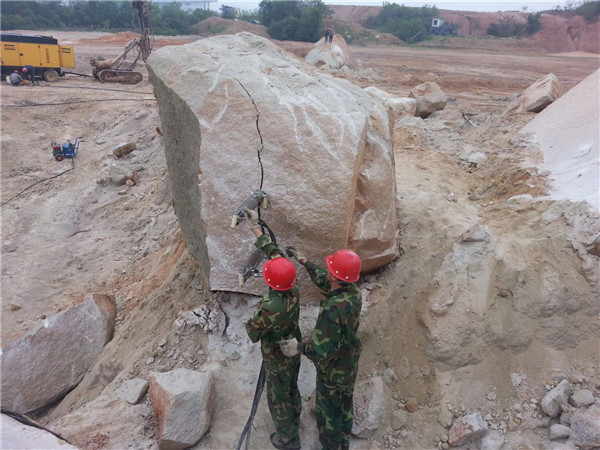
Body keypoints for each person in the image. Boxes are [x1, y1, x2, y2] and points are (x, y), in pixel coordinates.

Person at [281, 247, 362, 450]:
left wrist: (297, 347)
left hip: (333, 374)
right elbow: (326, 283)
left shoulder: (332, 311)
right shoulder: (353, 294)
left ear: (335, 276)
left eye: (330, 268)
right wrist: (305, 263)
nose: (327, 270)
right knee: (344, 408)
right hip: (348, 364)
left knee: (329, 417)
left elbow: (322, 351)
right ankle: (343, 444)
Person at [244, 208, 302, 450]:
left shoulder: (270, 308)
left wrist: (253, 318)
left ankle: (288, 440)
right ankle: (296, 420)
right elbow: (275, 256)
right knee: (292, 388)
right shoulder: (293, 289)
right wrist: (255, 228)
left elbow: (253, 333)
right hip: (294, 349)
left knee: (278, 399)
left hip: (276, 359)